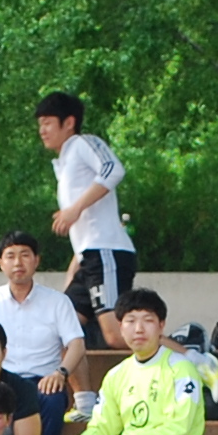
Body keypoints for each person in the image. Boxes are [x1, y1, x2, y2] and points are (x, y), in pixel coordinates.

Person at [72, 287, 212, 435]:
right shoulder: (116, 374)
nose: (138, 329)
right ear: (120, 327)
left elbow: (178, 430)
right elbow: (103, 425)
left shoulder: (181, 369)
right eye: (130, 321)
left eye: (147, 320)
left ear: (161, 326)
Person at [34, 91, 132, 339]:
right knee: (61, 334)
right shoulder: (64, 163)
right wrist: (73, 271)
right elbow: (85, 229)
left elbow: (114, 169)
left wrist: (74, 209)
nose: (42, 130)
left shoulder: (83, 143)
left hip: (106, 252)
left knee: (115, 335)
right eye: (40, 124)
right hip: (88, 259)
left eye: (47, 123)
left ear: (69, 122)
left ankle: (192, 352)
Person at [0, 229, 85, 430]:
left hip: (43, 381)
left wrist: (61, 373)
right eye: (10, 256)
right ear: (1, 263)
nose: (18, 263)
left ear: (36, 260)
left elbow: (76, 344)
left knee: (53, 399)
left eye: (25, 255)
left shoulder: (58, 301)